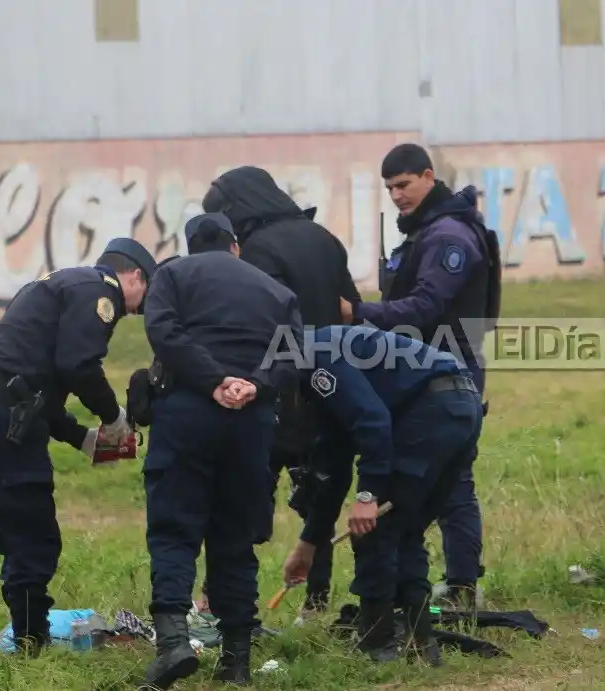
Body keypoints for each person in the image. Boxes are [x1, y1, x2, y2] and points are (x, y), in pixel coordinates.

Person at [227, 324, 482, 665]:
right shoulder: (320, 375)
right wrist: (308, 546)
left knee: (373, 529)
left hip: (431, 411)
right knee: (404, 530)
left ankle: (377, 646)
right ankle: (421, 647)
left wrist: (367, 496)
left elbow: (373, 422)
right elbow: (335, 471)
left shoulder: (312, 356)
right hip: (461, 406)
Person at [0, 237, 155, 655]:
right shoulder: (102, 293)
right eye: (145, 292)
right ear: (135, 275)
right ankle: (32, 643)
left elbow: (37, 384)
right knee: (33, 533)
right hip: (11, 417)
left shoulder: (60, 284)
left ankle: (26, 632)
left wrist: (83, 440)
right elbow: (78, 366)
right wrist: (113, 417)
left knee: (11, 529)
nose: (138, 308)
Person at [139, 212, 303, 689]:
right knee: (234, 538)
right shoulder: (275, 290)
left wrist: (213, 380)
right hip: (250, 423)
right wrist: (253, 384)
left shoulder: (172, 274)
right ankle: (237, 660)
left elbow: (164, 333)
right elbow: (293, 356)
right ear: (235, 247)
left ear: (192, 247)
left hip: (188, 412)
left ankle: (172, 643)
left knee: (174, 528)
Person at [341, 143, 502, 608]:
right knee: (429, 479)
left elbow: (427, 307)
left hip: (449, 372)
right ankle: (426, 585)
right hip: (421, 372)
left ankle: (460, 588)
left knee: (453, 482)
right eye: (389, 188)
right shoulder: (427, 230)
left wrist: (359, 314)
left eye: (404, 184)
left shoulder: (447, 235)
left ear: (428, 177)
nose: (396, 195)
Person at [202, 166, 361, 613]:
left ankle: (229, 600)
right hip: (332, 380)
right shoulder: (324, 238)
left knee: (246, 493)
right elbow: (348, 310)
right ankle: (318, 599)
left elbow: (251, 320)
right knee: (322, 492)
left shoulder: (255, 250)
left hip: (277, 387)